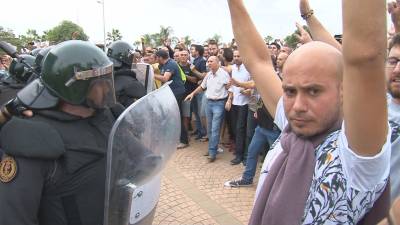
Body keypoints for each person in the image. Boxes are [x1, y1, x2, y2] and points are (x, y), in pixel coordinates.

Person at [228, 0, 391, 224]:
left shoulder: (357, 154)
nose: (298, 106)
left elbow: (366, 56)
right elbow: (257, 61)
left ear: (344, 91)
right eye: (290, 91)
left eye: (314, 91)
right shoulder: (292, 126)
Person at [0, 40, 120, 225]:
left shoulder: (107, 116)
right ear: (75, 87)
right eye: (100, 82)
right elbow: (13, 218)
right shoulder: (32, 141)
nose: (107, 88)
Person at [185, 56, 232, 162]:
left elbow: (230, 88)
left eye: (211, 61)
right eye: (208, 61)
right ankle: (212, 148)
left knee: (215, 129)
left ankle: (212, 153)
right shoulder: (209, 75)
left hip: (219, 104)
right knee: (210, 129)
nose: (208, 63)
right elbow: (202, 87)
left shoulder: (224, 74)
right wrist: (192, 93)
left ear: (217, 63)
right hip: (209, 103)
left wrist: (229, 100)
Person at [154, 49, 188, 149]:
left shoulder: (171, 64)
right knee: (172, 116)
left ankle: (184, 140)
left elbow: (165, 78)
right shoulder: (163, 65)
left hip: (177, 93)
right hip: (171, 93)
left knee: (178, 116)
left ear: (160, 57)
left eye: (156, 58)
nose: (156, 60)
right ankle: (176, 138)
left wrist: (152, 75)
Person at [107, 40, 146, 107]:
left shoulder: (104, 81)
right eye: (134, 58)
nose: (135, 60)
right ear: (129, 58)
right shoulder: (133, 85)